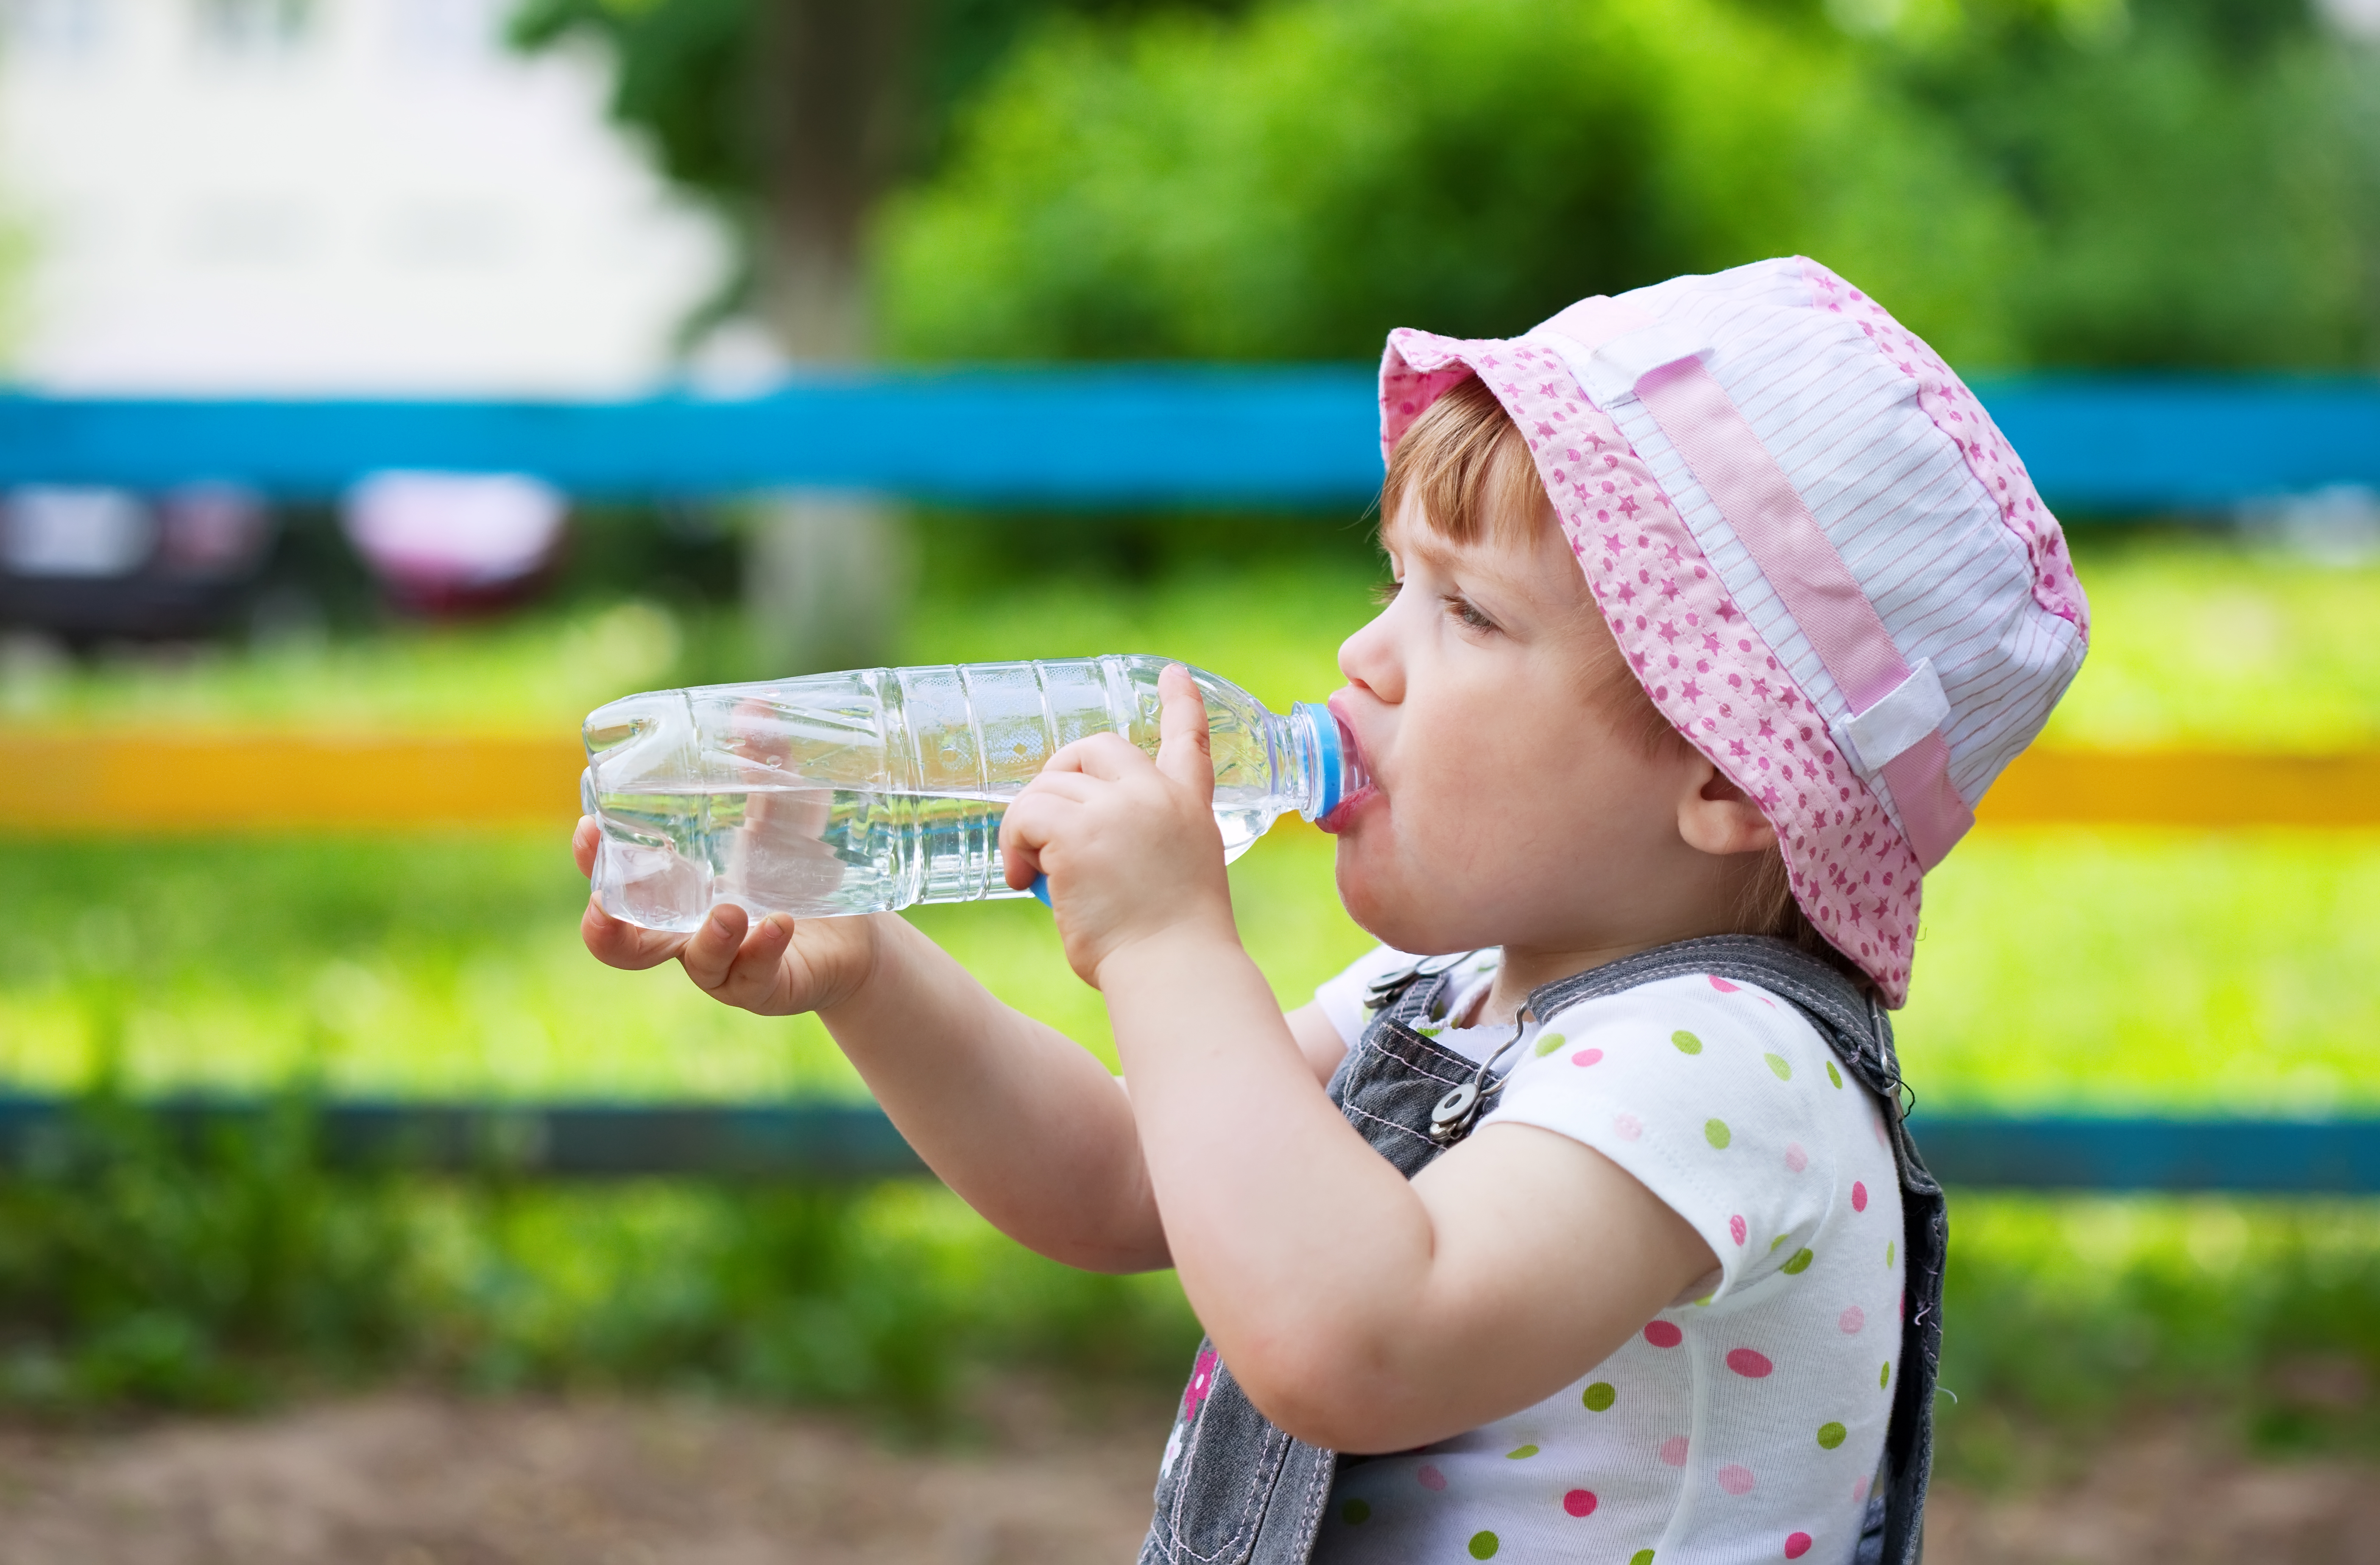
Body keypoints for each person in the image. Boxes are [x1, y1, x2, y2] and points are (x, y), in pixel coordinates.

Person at [574, 257, 2089, 1565]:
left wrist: (1172, 948)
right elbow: (1122, 1182)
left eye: (1469, 614)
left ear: (1731, 780)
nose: (1365, 658)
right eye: (1396, 585)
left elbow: (1354, 1339)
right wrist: (869, 969)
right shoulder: (1448, 996)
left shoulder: (1726, 1066)